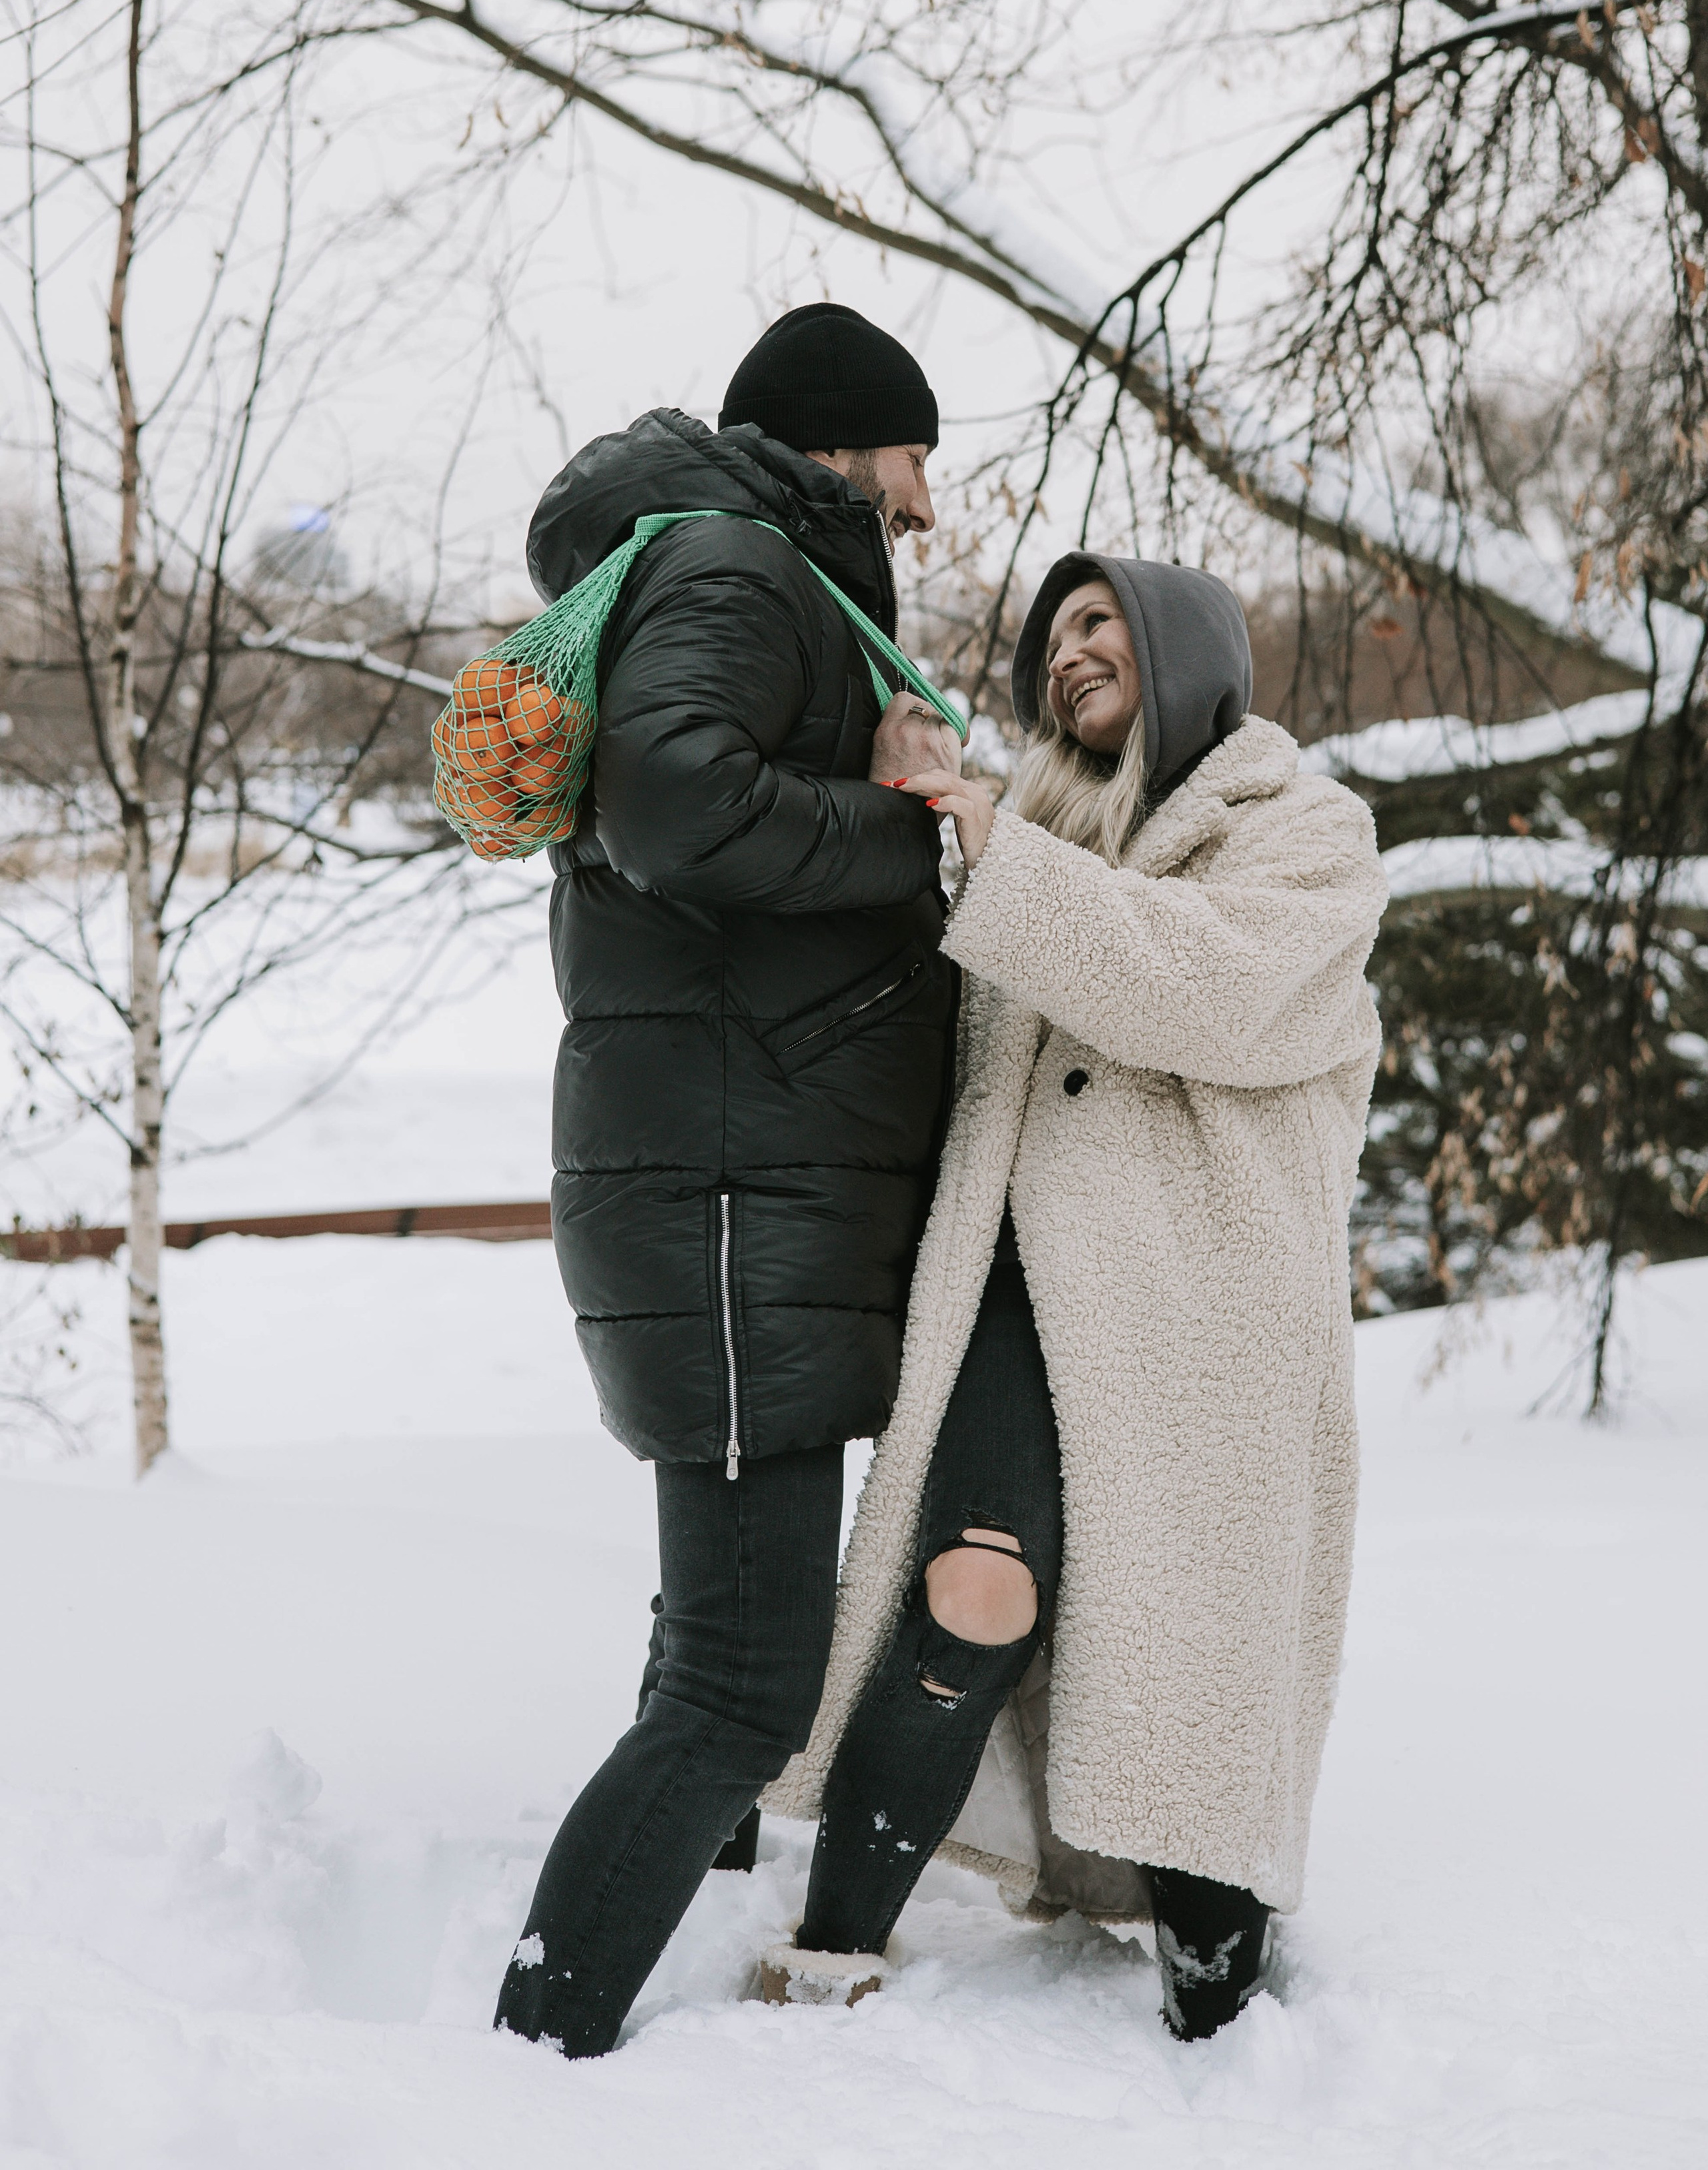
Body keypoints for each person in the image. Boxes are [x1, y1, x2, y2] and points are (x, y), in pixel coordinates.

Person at [765, 550, 1386, 2041]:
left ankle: (1219, 1995)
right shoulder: (1023, 828)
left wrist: (997, 845)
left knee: (1177, 1650)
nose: (1066, 650)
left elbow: (1213, 984)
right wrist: (906, 804)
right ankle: (827, 1960)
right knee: (967, 1593)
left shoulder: (1301, 832)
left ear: (1182, 650)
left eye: (1099, 622)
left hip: (1203, 1319)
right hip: (1008, 1286)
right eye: (1051, 635)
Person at [494, 302, 965, 2059]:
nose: (927, 499)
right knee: (739, 1681)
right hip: (725, 1200)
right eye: (916, 452)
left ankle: (655, 1968)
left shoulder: (734, 564)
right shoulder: (735, 563)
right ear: (846, 437)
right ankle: (536, 2051)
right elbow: (679, 806)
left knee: (715, 1640)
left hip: (732, 1186)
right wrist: (908, 831)